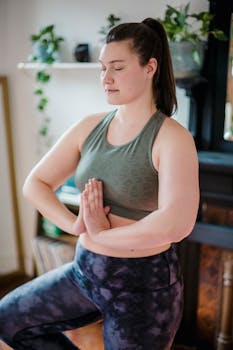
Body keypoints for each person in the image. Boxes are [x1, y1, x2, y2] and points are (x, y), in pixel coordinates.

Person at [0, 18, 199, 350]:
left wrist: (105, 235)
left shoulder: (172, 138)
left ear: (150, 68)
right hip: (85, 272)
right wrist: (76, 225)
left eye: (117, 68)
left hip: (144, 288)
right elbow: (36, 183)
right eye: (102, 68)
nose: (105, 78)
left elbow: (176, 223)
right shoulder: (88, 127)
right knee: (8, 319)